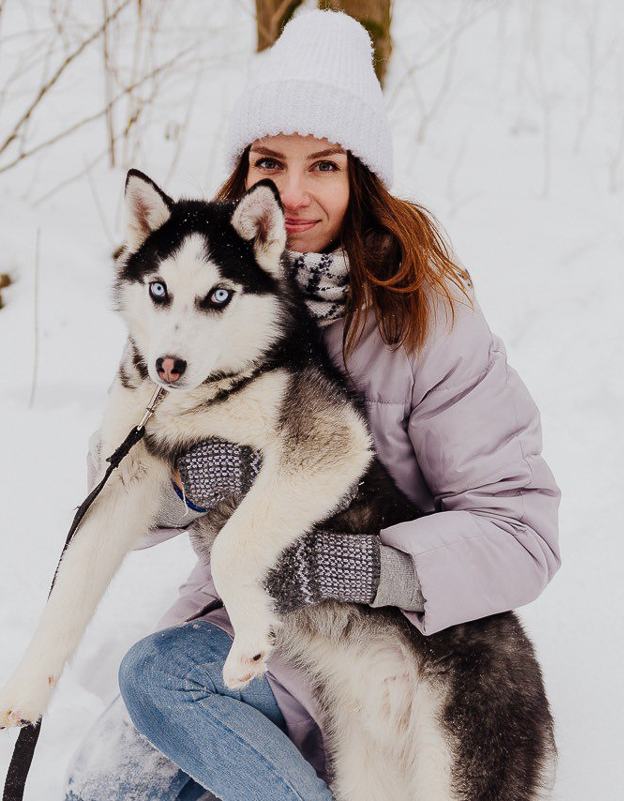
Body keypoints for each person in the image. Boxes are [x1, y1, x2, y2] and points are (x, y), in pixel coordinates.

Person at [65, 10, 561, 801]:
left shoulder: (431, 324)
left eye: (323, 165)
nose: (293, 193)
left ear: (359, 178)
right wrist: (189, 482)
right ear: (244, 174)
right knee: (111, 775)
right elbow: (114, 481)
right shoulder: (196, 295)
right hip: (251, 633)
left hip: (407, 646)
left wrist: (371, 566)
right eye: (271, 161)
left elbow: (522, 529)